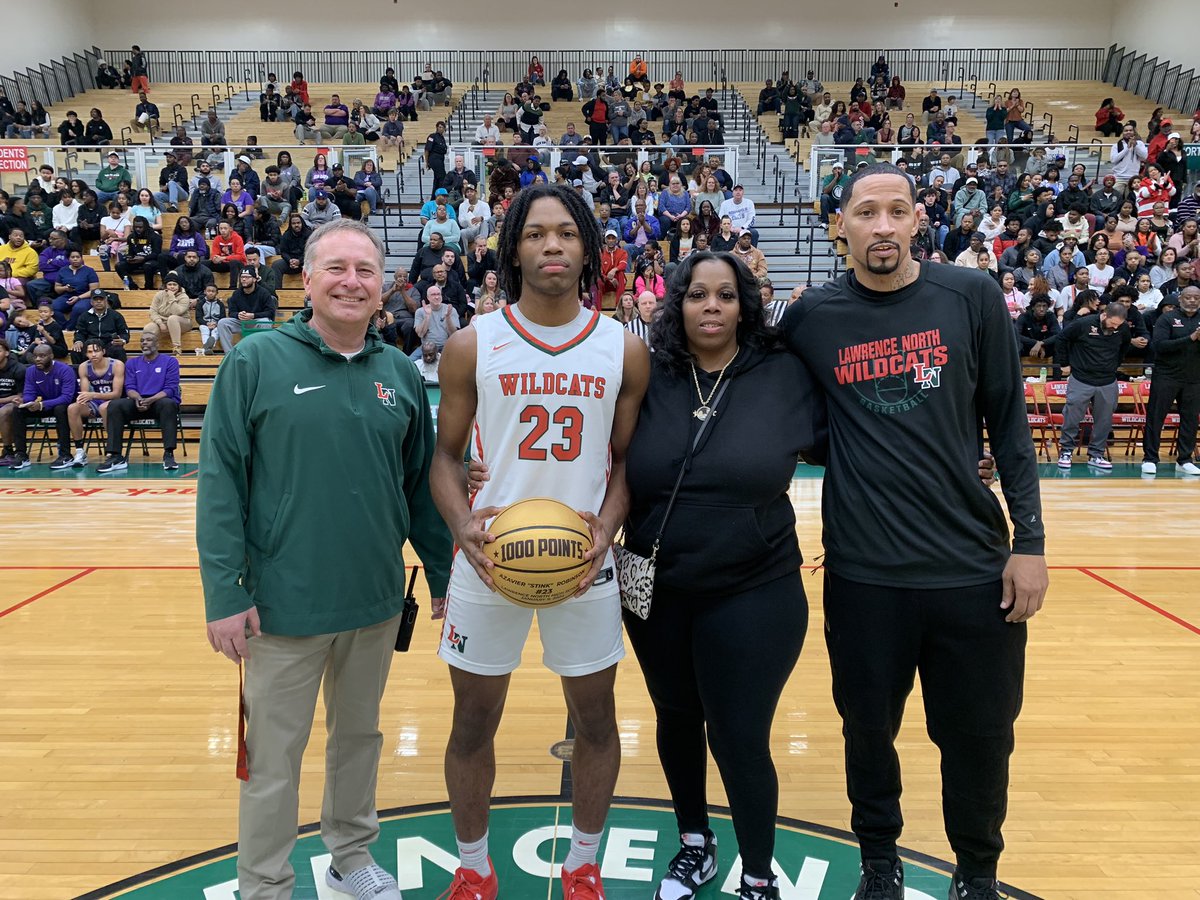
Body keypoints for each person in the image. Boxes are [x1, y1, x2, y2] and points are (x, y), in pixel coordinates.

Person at [778, 163, 1048, 900]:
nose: (884, 226)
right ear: (841, 227)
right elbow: (785, 418)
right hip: (865, 576)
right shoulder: (811, 320)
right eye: (867, 212)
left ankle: (978, 873)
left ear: (919, 220)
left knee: (980, 740)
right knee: (867, 732)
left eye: (898, 210)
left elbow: (1012, 427)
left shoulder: (971, 296)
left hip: (972, 570)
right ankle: (879, 862)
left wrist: (1029, 544)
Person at [197, 218, 451, 899]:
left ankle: (350, 857)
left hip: (373, 602)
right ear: (306, 280)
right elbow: (220, 483)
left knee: (358, 740)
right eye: (336, 268)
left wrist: (445, 578)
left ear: (383, 289)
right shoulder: (254, 362)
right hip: (281, 610)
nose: (351, 281)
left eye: (365, 271)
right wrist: (225, 594)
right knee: (274, 761)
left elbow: (422, 488)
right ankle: (265, 884)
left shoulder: (398, 372)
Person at [429, 184, 649, 900]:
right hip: (488, 560)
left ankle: (584, 863)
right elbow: (445, 457)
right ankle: (473, 869)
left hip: (583, 565)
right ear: (512, 248)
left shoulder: (623, 348)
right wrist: (464, 526)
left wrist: (606, 531)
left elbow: (626, 464)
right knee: (472, 722)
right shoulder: (472, 343)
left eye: (565, 234)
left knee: (596, 720)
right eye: (534, 234)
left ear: (587, 248)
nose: (551, 246)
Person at [622, 246, 822, 898]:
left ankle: (758, 875)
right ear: (676, 303)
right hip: (656, 585)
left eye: (726, 295)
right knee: (676, 717)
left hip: (754, 587)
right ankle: (694, 844)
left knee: (738, 736)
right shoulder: (649, 376)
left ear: (745, 305)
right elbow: (596, 457)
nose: (712, 305)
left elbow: (865, 438)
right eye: (698, 293)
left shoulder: (784, 373)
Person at [1053, 299, 1131, 470]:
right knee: (1072, 417)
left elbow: (1125, 346)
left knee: (1104, 421)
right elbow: (1061, 338)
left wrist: (1115, 364)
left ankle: (1096, 454)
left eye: (1119, 325)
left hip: (1107, 380)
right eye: (1112, 323)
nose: (1115, 327)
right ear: (1104, 315)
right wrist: (1064, 363)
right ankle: (1066, 451)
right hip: (1081, 378)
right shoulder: (1083, 324)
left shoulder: (1122, 329)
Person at [1142, 286, 1200, 475]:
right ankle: (1150, 458)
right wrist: (1190, 338)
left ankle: (1184, 459)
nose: (1192, 301)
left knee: (1190, 419)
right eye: (1189, 297)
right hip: (1167, 376)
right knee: (1156, 417)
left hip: (1194, 378)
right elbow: (1159, 346)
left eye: (1196, 298)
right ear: (1180, 299)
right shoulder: (1167, 318)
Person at [57, 338, 125, 470]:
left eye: (96, 351)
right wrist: (84, 398)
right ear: (86, 354)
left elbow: (116, 394)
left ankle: (112, 450)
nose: (93, 354)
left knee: (105, 407)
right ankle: (80, 451)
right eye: (89, 352)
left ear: (103, 351)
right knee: (72, 408)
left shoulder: (117, 365)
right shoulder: (84, 367)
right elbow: (85, 394)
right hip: (95, 402)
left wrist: (93, 395)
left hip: (114, 402)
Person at [8, 343, 77, 470]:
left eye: (42, 356)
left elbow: (66, 397)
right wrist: (25, 402)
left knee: (60, 408)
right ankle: (21, 455)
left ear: (51, 356)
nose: (38, 359)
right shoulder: (31, 371)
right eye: (35, 356)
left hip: (66, 407)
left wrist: (41, 404)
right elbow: (29, 392)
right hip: (44, 406)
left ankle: (65, 455)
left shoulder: (65, 370)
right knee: (18, 410)